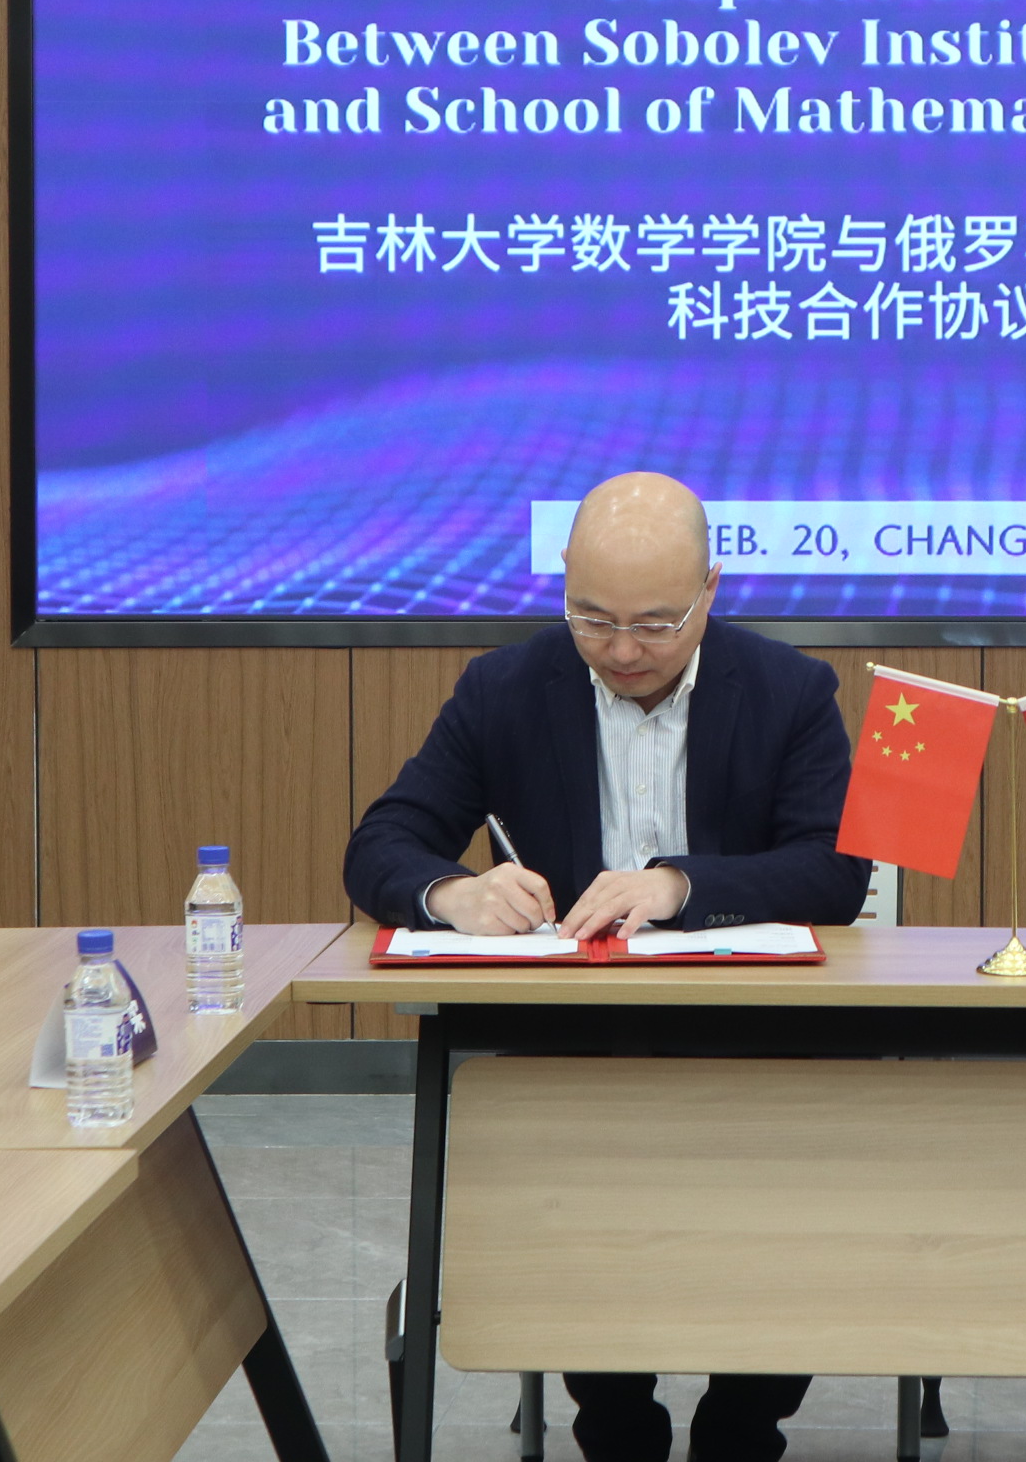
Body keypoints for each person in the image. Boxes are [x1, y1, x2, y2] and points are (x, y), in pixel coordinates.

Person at [344, 469, 862, 1462]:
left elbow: (834, 870)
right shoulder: (504, 689)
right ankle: (616, 1429)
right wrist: (453, 894)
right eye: (592, 618)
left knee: (789, 1207)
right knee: (567, 1193)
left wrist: (676, 885)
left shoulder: (790, 691)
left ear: (711, 590)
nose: (622, 650)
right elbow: (382, 843)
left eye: (656, 624)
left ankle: (743, 1428)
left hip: (753, 1050)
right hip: (572, 1050)